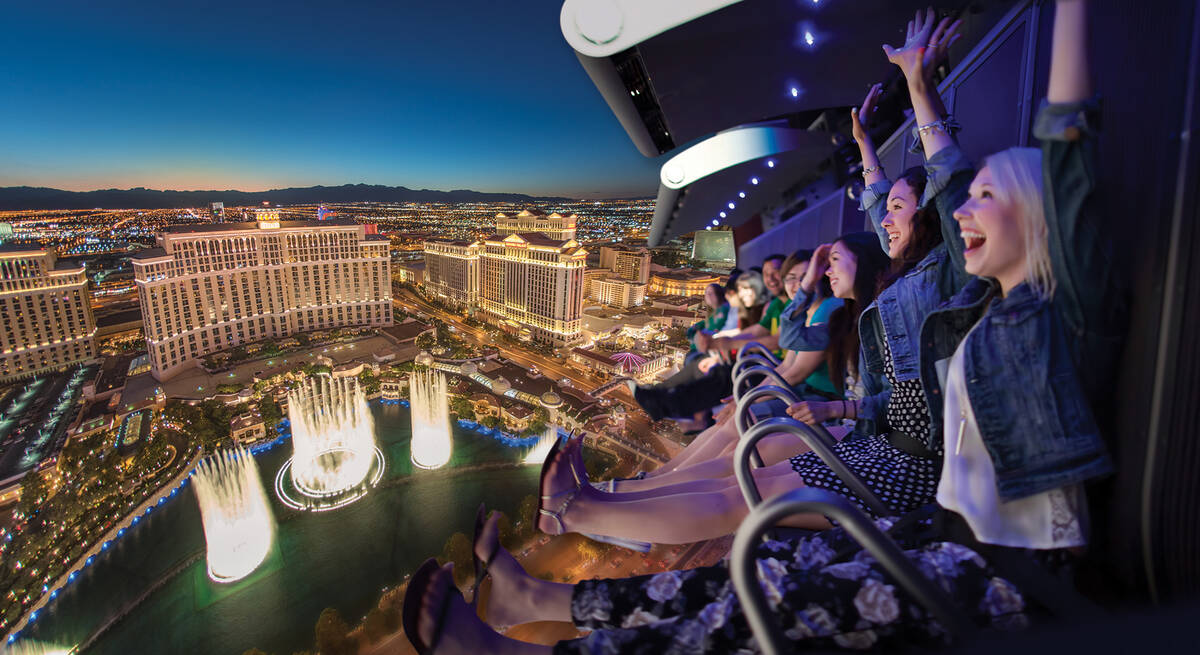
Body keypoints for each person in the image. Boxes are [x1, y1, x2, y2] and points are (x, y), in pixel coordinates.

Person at [403, 4, 1123, 654]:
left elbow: (1053, 146)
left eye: (987, 195)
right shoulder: (974, 311)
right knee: (747, 574)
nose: (962, 208)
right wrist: (897, 111)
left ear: (1044, 213)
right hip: (943, 529)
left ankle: (561, 564)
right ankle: (545, 593)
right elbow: (910, 222)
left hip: (1010, 569)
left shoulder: (1058, 310)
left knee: (758, 578)